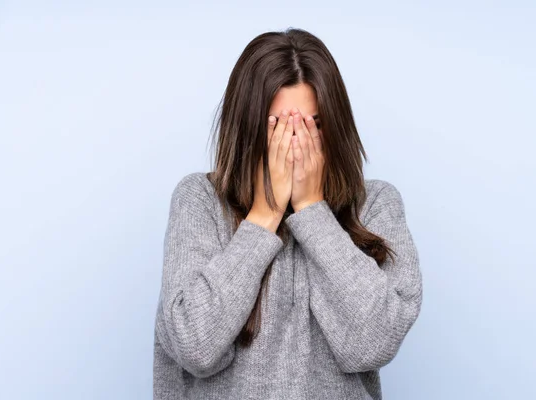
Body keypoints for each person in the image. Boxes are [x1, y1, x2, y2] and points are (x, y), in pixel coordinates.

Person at [153, 27, 423, 400]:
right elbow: (193, 346)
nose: (295, 144)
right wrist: (264, 216)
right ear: (248, 126)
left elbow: (374, 342)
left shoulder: (376, 204)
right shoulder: (199, 201)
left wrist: (312, 210)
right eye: (278, 126)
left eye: (312, 125)